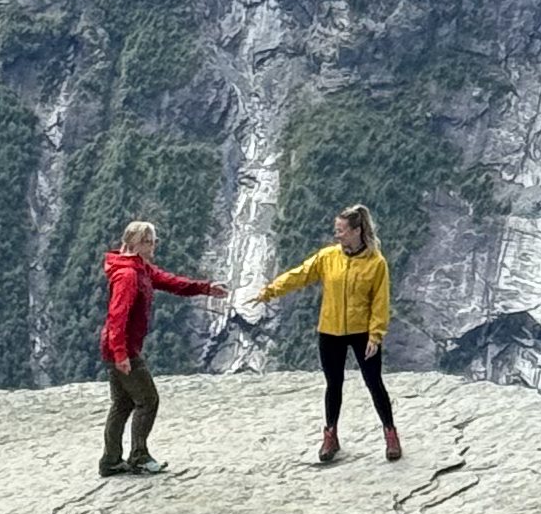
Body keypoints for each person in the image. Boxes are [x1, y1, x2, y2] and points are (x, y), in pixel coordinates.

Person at [257, 204, 395, 465]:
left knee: (374, 383)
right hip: (330, 331)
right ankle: (330, 434)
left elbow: (380, 301)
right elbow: (301, 274)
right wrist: (270, 290)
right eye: (337, 230)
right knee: (334, 384)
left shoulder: (376, 263)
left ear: (357, 230)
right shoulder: (328, 257)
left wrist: (375, 336)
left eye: (341, 230)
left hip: (362, 332)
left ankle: (390, 433)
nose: (337, 235)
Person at [98, 218, 224, 476]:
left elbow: (170, 281)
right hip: (123, 349)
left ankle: (111, 460)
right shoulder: (128, 275)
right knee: (148, 400)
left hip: (116, 347)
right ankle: (139, 457)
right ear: (139, 243)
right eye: (151, 241)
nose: (155, 245)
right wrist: (122, 354)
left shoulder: (139, 268)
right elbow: (117, 316)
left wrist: (206, 288)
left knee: (122, 404)